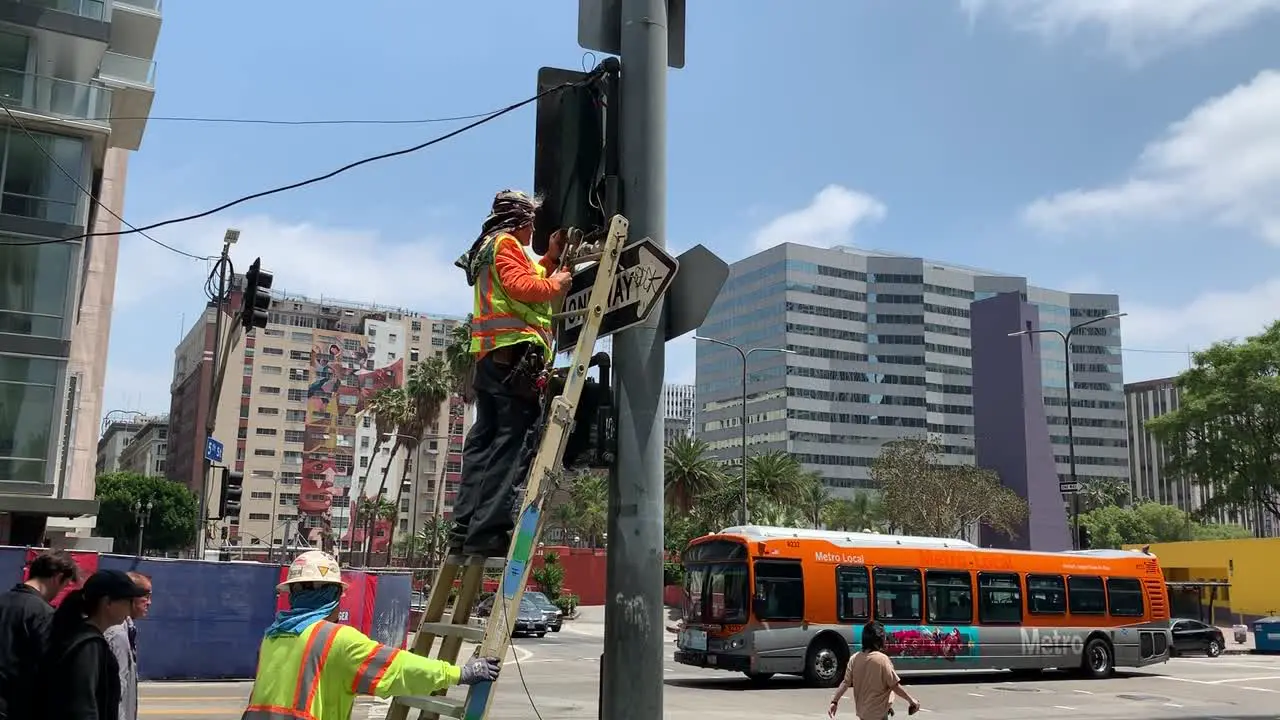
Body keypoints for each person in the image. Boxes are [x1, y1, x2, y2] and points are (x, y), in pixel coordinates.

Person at [451, 190, 571, 557]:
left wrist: (550, 259)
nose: (534, 228)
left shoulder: (491, 246)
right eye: (531, 222)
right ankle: (488, 532)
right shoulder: (504, 244)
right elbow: (523, 286)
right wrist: (558, 284)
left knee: (484, 441)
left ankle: (465, 528)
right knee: (511, 443)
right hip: (513, 358)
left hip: (493, 359)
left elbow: (524, 274)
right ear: (519, 221)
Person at [242, 550, 503, 720]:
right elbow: (401, 669)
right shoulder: (335, 640)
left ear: (293, 593)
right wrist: (460, 674)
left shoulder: (272, 637)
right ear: (332, 596)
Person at [35, 569, 149, 720]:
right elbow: (83, 706)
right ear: (107, 602)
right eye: (127, 600)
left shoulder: (80, 637)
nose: (131, 606)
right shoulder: (88, 646)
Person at [0, 550, 80, 720]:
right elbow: (49, 670)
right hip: (18, 708)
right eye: (64, 585)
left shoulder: (3, 601)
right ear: (58, 578)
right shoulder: (45, 614)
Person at [828, 622, 922, 719]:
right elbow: (895, 686)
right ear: (879, 640)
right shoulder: (882, 660)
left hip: (863, 714)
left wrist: (834, 701)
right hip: (879, 716)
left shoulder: (854, 658)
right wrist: (911, 701)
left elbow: (845, 683)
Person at [105, 572, 152, 720]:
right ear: (130, 597)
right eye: (146, 597)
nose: (149, 602)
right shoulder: (117, 634)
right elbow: (117, 692)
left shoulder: (127, 629)